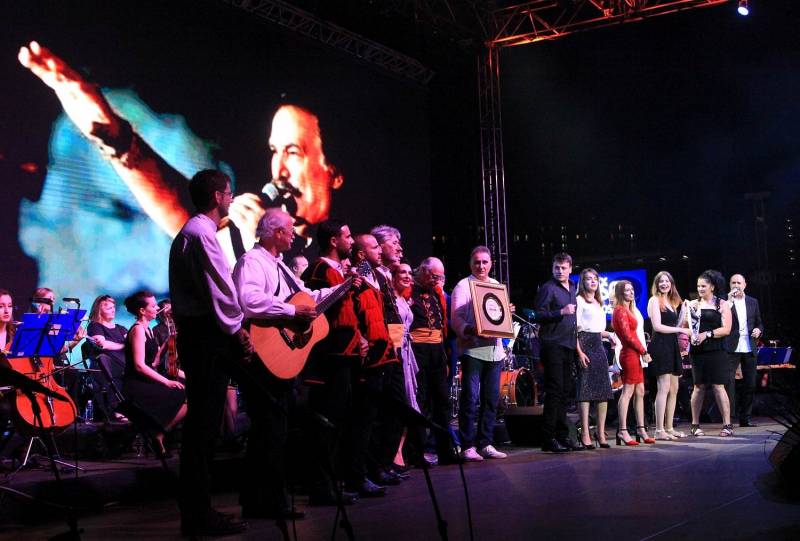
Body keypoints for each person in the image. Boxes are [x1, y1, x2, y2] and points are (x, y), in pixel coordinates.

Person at [19, 43, 344, 264]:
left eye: (293, 152)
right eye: (274, 150)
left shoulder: (347, 248)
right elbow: (173, 199)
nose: (280, 170)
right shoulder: (247, 228)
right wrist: (107, 127)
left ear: (334, 173)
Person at [232, 208, 344, 519]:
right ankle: (265, 501)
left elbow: (307, 297)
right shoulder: (253, 261)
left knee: (275, 429)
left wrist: (342, 287)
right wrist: (292, 312)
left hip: (279, 359)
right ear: (275, 233)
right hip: (262, 356)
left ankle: (262, 500)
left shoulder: (279, 265)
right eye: (289, 230)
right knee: (269, 428)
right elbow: (249, 300)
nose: (294, 235)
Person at [168, 169, 251, 537]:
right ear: (217, 196)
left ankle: (197, 512)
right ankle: (198, 514)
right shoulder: (202, 233)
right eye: (228, 192)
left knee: (203, 429)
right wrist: (238, 330)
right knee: (203, 430)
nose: (231, 198)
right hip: (206, 339)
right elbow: (221, 290)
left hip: (200, 337)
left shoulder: (194, 232)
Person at [299, 219, 362, 506]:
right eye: (347, 236)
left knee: (337, 423)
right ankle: (321, 487)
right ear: (334, 241)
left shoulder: (339, 272)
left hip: (344, 356)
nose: (352, 241)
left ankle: (333, 483)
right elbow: (315, 310)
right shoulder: (318, 270)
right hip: (328, 358)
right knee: (324, 423)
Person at [452, 246, 508, 461]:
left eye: (485, 262)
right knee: (470, 398)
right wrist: (472, 329)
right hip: (473, 350)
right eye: (477, 262)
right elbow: (456, 319)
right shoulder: (463, 286)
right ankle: (468, 445)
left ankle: (485, 443)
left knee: (491, 399)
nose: (481, 266)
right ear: (470, 263)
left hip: (495, 352)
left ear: (491, 263)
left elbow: (498, 318)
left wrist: (506, 313)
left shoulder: (495, 285)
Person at [122, 291, 186, 456]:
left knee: (187, 391)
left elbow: (153, 363)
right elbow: (139, 366)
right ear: (142, 310)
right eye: (153, 305)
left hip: (145, 382)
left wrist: (167, 344)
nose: (157, 308)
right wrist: (166, 382)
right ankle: (159, 433)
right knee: (184, 394)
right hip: (136, 385)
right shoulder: (138, 330)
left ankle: (159, 433)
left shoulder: (148, 329)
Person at [410, 257, 456, 464]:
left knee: (442, 401)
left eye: (440, 277)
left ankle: (446, 451)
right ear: (423, 271)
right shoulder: (409, 288)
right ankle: (419, 452)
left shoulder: (437, 292)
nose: (437, 281)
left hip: (437, 350)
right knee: (421, 401)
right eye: (434, 276)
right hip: (418, 349)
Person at [533, 253, 579, 452]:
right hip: (552, 344)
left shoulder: (573, 288)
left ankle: (562, 436)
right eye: (556, 268)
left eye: (563, 268)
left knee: (565, 391)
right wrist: (560, 312)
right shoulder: (548, 288)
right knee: (554, 391)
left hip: (568, 344)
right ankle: (547, 438)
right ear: (552, 269)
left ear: (570, 269)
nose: (560, 271)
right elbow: (538, 315)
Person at [647, 272, 692, 440]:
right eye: (661, 281)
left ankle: (669, 427)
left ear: (671, 284)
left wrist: (684, 311)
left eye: (667, 281)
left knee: (674, 388)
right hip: (660, 346)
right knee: (663, 387)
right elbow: (658, 326)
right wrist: (681, 329)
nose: (664, 284)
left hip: (672, 346)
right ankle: (659, 430)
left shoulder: (671, 301)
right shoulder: (654, 300)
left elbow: (676, 325)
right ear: (656, 284)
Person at [689, 270, 734, 437]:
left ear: (712, 287)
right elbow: (686, 326)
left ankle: (727, 424)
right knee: (698, 386)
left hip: (717, 349)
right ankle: (695, 424)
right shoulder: (693, 304)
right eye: (698, 286)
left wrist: (707, 334)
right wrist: (690, 336)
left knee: (718, 386)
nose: (700, 289)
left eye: (703, 286)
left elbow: (726, 329)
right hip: (698, 351)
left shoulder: (722, 304)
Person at [575, 268, 616, 449]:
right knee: (585, 390)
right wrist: (579, 352)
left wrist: (610, 335)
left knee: (603, 390)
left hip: (598, 346)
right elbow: (575, 330)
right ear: (582, 282)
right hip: (584, 344)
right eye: (588, 279)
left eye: (595, 279)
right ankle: (585, 432)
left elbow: (598, 329)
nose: (592, 281)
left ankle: (600, 432)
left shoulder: (599, 302)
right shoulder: (579, 300)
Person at [612, 280, 653, 446]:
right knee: (627, 391)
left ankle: (641, 429)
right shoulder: (620, 310)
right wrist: (644, 351)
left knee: (640, 391)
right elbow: (628, 337)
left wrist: (641, 352)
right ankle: (622, 430)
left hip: (635, 353)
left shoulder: (630, 309)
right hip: (629, 353)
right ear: (620, 293)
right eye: (627, 290)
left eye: (632, 289)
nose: (631, 292)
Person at [725, 274, 763, 428]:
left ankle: (745, 418)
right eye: (733, 282)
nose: (736, 285)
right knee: (728, 383)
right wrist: (729, 302)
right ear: (729, 284)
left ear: (745, 285)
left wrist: (758, 330)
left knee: (750, 383)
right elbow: (720, 320)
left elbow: (760, 323)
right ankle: (728, 419)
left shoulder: (753, 302)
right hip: (731, 346)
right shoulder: (725, 301)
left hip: (749, 346)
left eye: (739, 283)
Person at [86, 295, 128, 421]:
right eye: (109, 308)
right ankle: (117, 409)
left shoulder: (121, 328)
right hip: (105, 367)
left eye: (113, 307)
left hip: (124, 364)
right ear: (99, 310)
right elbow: (103, 345)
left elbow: (132, 343)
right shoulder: (95, 326)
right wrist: (123, 345)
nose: (113, 310)